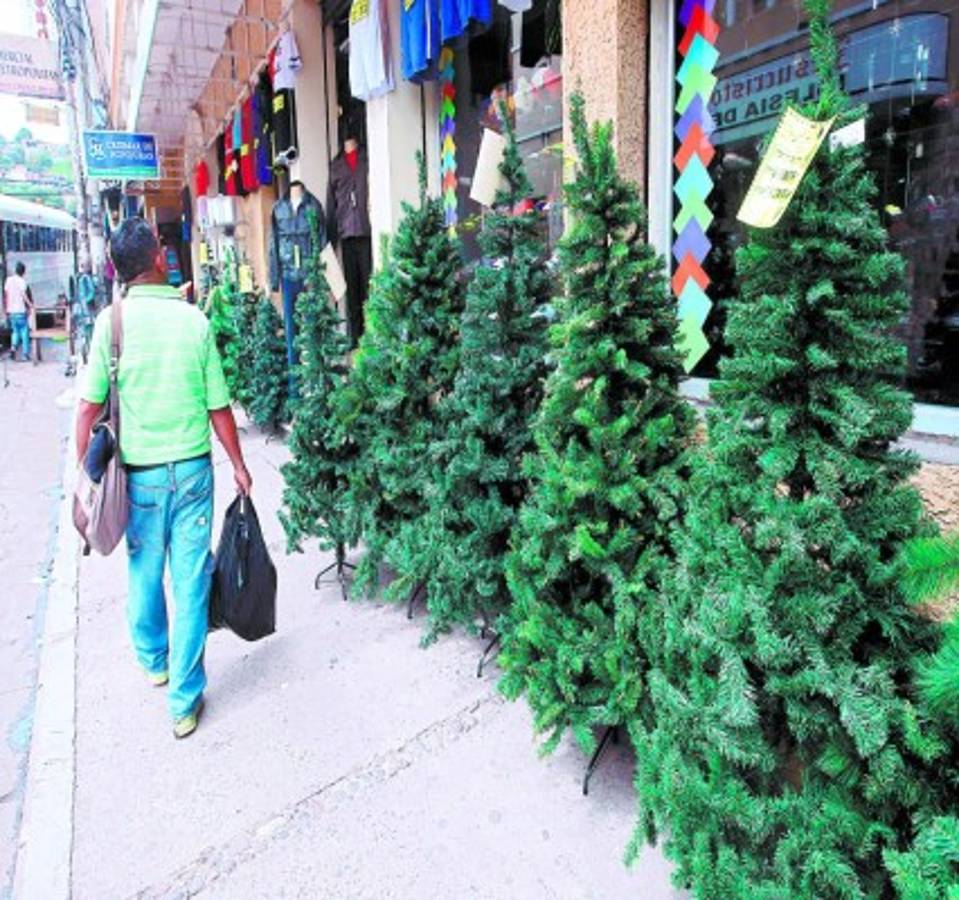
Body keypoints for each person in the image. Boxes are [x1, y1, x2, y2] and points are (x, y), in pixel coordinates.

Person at [75, 218, 253, 740]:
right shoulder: (193, 321)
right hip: (194, 471)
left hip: (140, 479)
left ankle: (155, 659)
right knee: (192, 582)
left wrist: (85, 475)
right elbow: (219, 406)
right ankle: (184, 700)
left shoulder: (110, 325)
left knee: (144, 570)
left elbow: (87, 409)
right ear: (157, 259)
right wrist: (238, 464)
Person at [4, 262, 33, 362]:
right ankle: (25, 354)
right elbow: (24, 296)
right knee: (24, 331)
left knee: (15, 331)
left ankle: (13, 348)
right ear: (23, 272)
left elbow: (6, 296)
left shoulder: (8, 280)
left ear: (15, 270)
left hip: (11, 311)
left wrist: (6, 309)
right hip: (20, 310)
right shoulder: (22, 282)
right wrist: (30, 305)